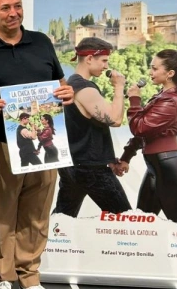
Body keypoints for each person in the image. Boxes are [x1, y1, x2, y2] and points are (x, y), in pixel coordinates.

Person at [0, 0, 73, 289]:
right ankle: (2, 277)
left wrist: (67, 93)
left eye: (17, 6)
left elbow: (60, 83)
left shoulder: (41, 42)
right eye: (5, 8)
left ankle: (30, 274)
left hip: (46, 144)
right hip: (1, 144)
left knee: (37, 213)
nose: (13, 13)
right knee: (3, 213)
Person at [53, 37, 131, 219]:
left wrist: (108, 158)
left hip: (74, 164)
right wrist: (119, 87)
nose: (106, 66)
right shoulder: (84, 88)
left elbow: (86, 130)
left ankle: (46, 239)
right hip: (90, 168)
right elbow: (115, 119)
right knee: (126, 220)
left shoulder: (71, 85)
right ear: (89, 59)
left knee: (62, 221)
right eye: (103, 60)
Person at [120, 49, 177, 224]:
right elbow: (146, 135)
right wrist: (126, 157)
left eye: (155, 69)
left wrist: (134, 100)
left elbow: (139, 128)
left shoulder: (170, 101)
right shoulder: (162, 97)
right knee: (143, 223)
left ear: (170, 74)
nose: (150, 72)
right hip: (157, 168)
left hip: (169, 170)